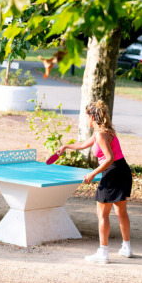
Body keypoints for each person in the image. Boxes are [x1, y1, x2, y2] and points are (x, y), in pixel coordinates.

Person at [56, 100, 133, 263]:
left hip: (113, 172)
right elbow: (84, 144)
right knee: (121, 212)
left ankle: (103, 252)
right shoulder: (105, 131)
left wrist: (93, 173)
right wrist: (66, 147)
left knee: (102, 214)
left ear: (93, 116)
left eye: (86, 116)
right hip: (123, 170)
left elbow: (110, 158)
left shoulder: (100, 134)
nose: (85, 119)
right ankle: (126, 247)